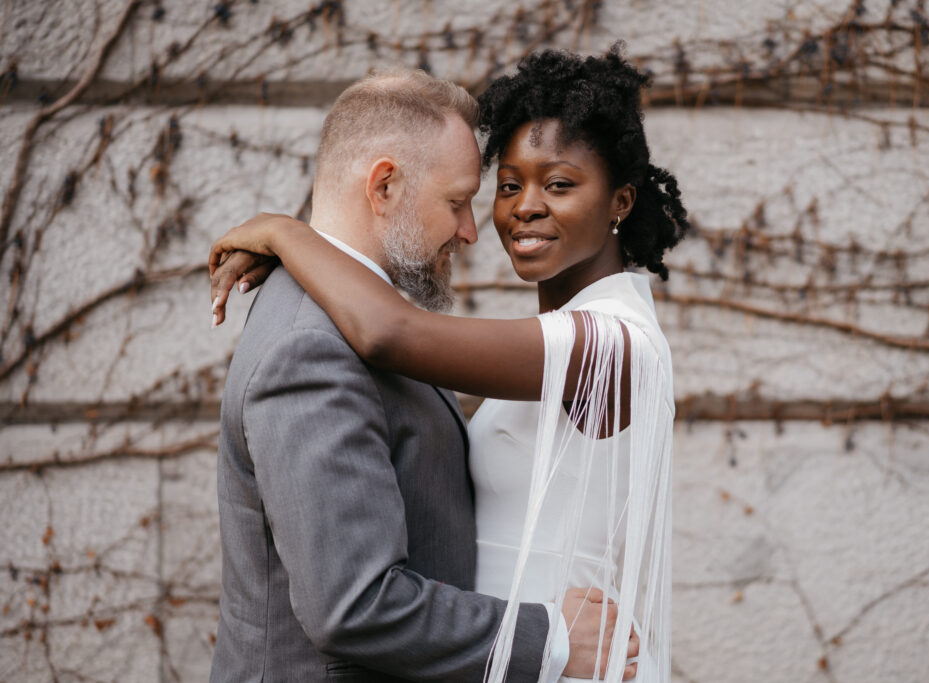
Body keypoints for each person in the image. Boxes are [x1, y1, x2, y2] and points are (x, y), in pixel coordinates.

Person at [211, 47, 687, 682]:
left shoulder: (615, 344)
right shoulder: (536, 349)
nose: (522, 207)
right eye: (508, 186)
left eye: (559, 184)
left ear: (620, 202)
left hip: (570, 658)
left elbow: (390, 333)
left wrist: (285, 233)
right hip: (523, 654)